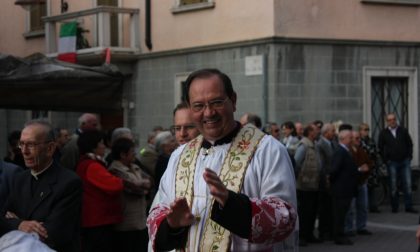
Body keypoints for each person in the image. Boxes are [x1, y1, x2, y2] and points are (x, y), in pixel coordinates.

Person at [147, 68, 297, 251]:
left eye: (216, 102)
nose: (209, 113)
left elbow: (285, 218)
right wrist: (171, 226)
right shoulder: (179, 156)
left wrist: (232, 204)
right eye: (199, 106)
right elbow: (157, 211)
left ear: (233, 101)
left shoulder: (268, 150)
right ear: (189, 107)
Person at [0, 120, 82, 252]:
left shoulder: (69, 182)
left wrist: (15, 222)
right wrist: (20, 224)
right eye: (22, 144)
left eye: (31, 145)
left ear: (50, 148)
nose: (24, 151)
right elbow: (2, 220)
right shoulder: (20, 178)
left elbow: (53, 234)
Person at [76, 130, 123, 252]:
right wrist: (121, 179)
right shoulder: (92, 165)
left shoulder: (87, 162)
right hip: (97, 220)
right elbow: (115, 185)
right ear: (93, 146)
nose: (104, 146)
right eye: (101, 143)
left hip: (95, 219)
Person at [108, 138, 152, 252]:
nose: (135, 154)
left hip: (141, 221)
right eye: (132, 151)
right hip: (126, 223)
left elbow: (150, 180)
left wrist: (142, 186)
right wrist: (142, 188)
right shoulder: (114, 170)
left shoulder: (135, 166)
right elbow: (133, 188)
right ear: (123, 154)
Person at [329, 130, 368, 245]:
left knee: (343, 213)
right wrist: (336, 184)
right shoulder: (340, 152)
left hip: (346, 189)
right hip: (341, 189)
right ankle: (339, 236)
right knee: (340, 214)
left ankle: (340, 234)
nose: (352, 140)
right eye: (350, 138)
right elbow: (334, 170)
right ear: (343, 139)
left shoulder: (346, 151)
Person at [378, 113, 417, 213]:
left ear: (396, 120)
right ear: (387, 121)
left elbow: (410, 144)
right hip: (392, 162)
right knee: (393, 185)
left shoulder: (403, 130)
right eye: (390, 120)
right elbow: (380, 148)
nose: (392, 121)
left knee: (408, 184)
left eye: (393, 119)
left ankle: (409, 206)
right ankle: (394, 207)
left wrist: (409, 157)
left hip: (405, 161)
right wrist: (386, 160)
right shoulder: (383, 133)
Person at [294, 124, 322, 246]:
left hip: (313, 184)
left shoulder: (314, 144)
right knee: (304, 212)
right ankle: (302, 236)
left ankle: (309, 234)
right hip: (304, 185)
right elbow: (296, 163)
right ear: (310, 132)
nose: (318, 132)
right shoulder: (304, 146)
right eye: (316, 130)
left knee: (312, 212)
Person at [345, 131, 373, 236]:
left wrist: (367, 169)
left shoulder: (361, 150)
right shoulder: (348, 151)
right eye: (356, 138)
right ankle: (348, 228)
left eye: (359, 138)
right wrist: (359, 169)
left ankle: (361, 226)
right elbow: (348, 168)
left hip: (362, 182)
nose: (358, 140)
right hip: (352, 183)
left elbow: (369, 163)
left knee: (363, 206)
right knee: (350, 208)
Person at [316, 123, 336, 241]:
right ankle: (323, 232)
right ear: (326, 132)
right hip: (325, 181)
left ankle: (330, 230)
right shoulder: (320, 145)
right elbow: (321, 164)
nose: (334, 133)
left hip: (333, 180)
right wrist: (326, 178)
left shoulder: (333, 143)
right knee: (324, 208)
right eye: (332, 131)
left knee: (331, 208)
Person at [359, 123, 382, 213]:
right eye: (364, 129)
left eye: (367, 129)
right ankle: (364, 207)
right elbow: (366, 151)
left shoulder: (371, 140)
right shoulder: (359, 141)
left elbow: (376, 151)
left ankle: (373, 206)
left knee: (372, 188)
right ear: (360, 131)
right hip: (363, 167)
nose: (366, 131)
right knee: (364, 188)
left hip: (372, 167)